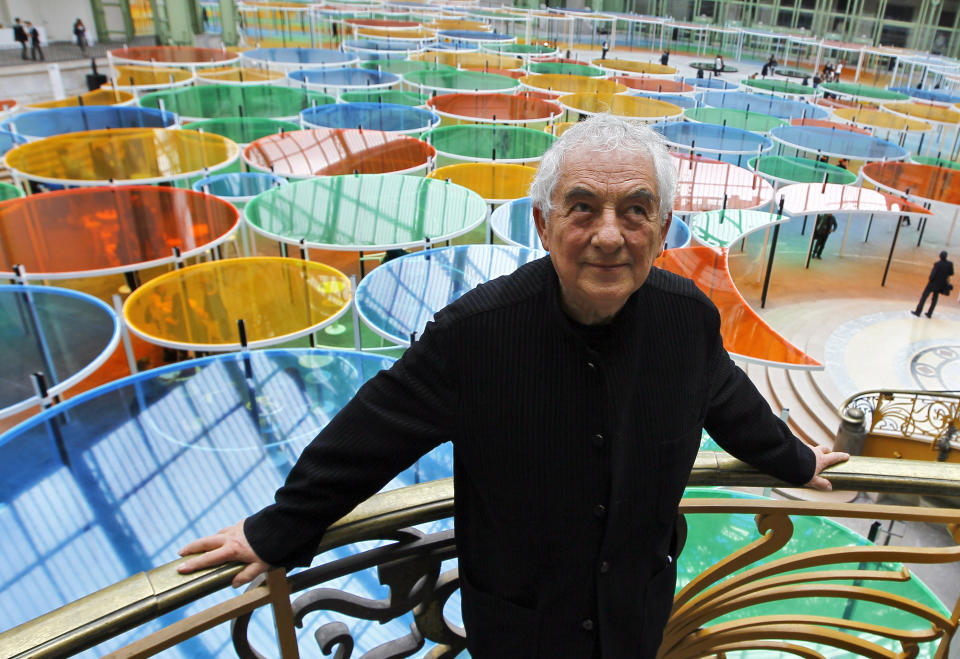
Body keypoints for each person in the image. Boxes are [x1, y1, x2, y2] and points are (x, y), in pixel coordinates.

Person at [177, 115, 847, 658]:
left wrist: (793, 459)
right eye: (582, 207)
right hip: (522, 633)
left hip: (634, 619)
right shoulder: (477, 334)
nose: (610, 235)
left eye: (636, 210)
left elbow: (724, 394)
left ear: (664, 227)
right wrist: (277, 529)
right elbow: (372, 431)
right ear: (543, 224)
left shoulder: (687, 318)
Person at [912, 251, 954, 318]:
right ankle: (929, 313)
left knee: (924, 297)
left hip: (932, 284)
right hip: (941, 285)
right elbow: (951, 273)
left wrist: (931, 280)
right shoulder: (950, 264)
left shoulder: (937, 264)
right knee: (935, 299)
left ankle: (918, 312)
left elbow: (932, 276)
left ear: (940, 256)